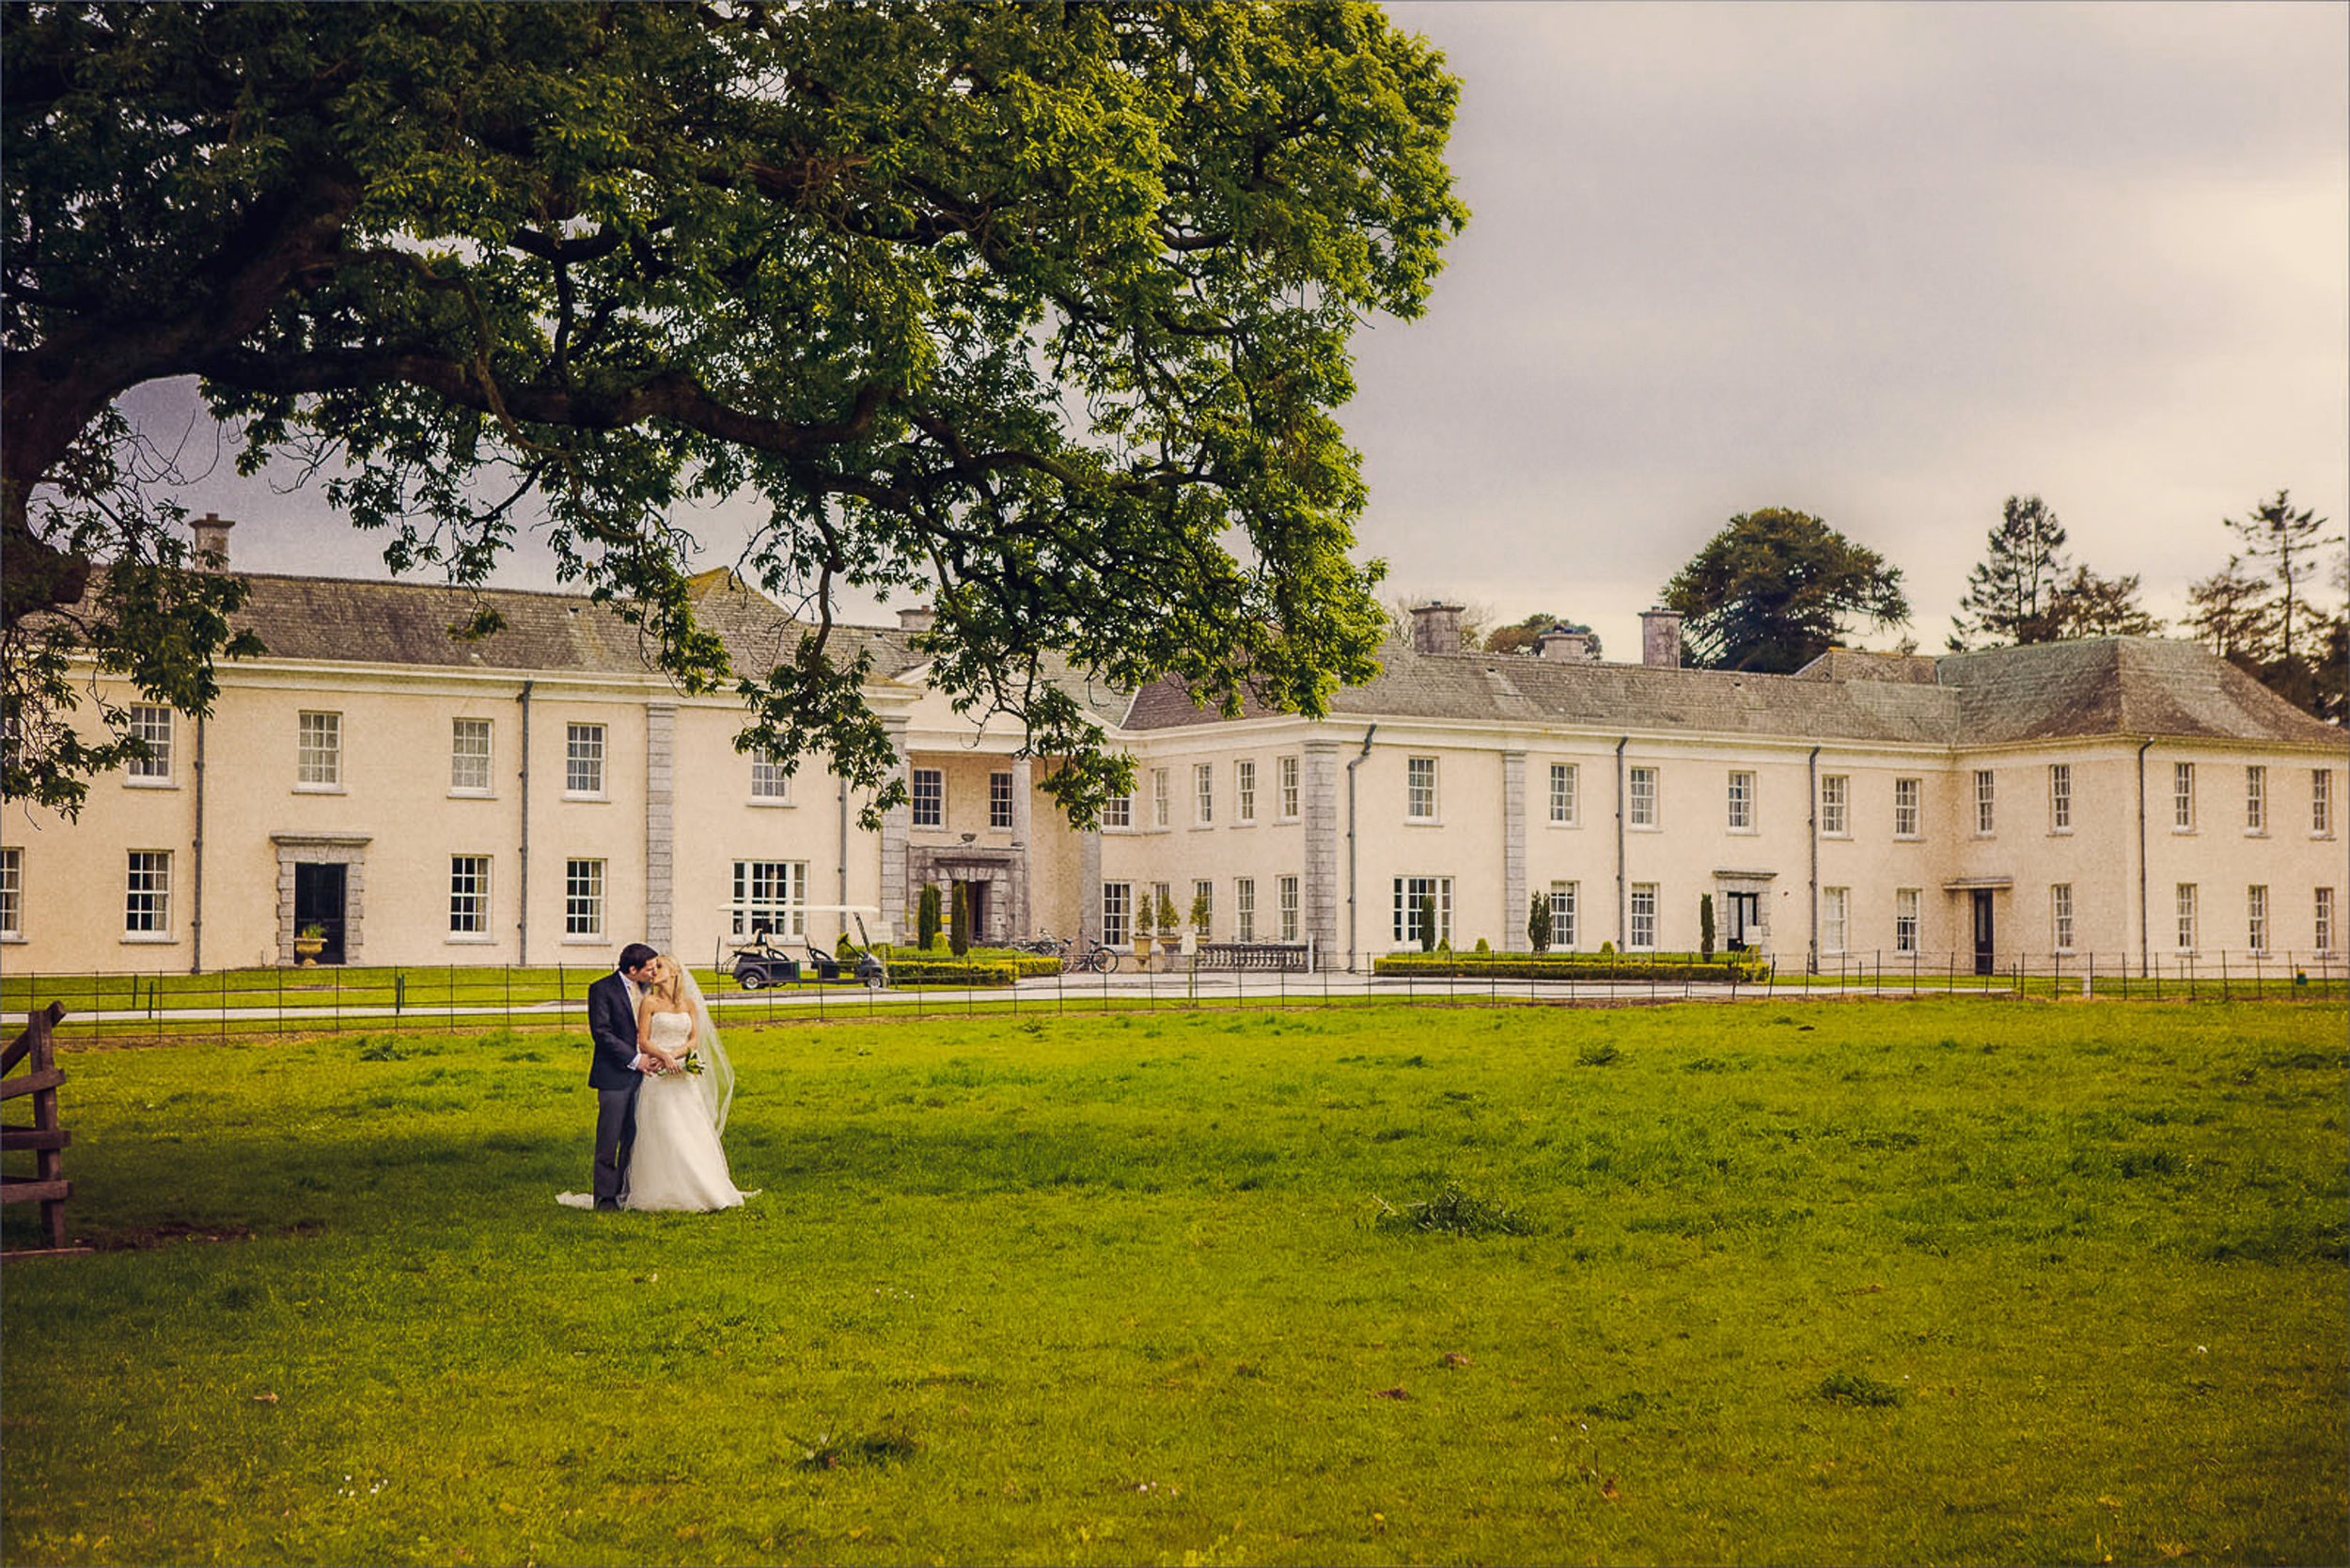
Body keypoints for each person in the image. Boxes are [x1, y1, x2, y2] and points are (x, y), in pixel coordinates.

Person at [616, 954, 753, 1212]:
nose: (654, 971)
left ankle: (702, 1185)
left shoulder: (689, 1004)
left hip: (682, 1075)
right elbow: (643, 1041)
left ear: (675, 972)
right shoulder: (649, 1003)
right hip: (658, 1075)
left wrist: (677, 1057)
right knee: (664, 1130)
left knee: (690, 1128)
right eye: (652, 968)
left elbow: (693, 1040)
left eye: (659, 967)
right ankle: (662, 1188)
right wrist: (664, 1057)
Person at [559, 942, 662, 1212]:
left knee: (634, 1136)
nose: (654, 973)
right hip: (614, 1075)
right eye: (649, 969)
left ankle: (626, 1191)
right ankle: (605, 1199)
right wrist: (635, 1059)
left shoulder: (651, 989)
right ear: (632, 969)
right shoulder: (602, 989)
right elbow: (602, 1033)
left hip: (648, 1076)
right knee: (609, 1137)